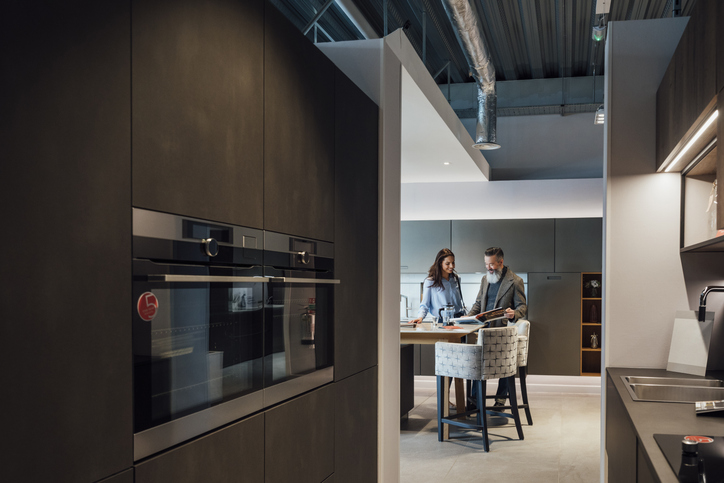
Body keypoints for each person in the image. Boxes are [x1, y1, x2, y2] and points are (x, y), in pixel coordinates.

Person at [468, 247, 527, 407]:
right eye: (486, 264)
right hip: (482, 332)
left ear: (501, 262)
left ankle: (500, 399)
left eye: (491, 264)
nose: (488, 268)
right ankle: (473, 400)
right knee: (474, 360)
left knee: (506, 363)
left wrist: (513, 313)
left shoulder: (515, 281)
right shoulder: (485, 279)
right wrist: (468, 317)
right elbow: (479, 303)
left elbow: (522, 307)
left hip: (502, 334)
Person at [410, 248, 465, 325]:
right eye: (447, 263)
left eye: (453, 262)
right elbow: (425, 304)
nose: (452, 266)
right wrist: (420, 317)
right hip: (441, 321)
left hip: (458, 319)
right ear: (440, 263)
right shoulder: (430, 282)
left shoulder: (457, 278)